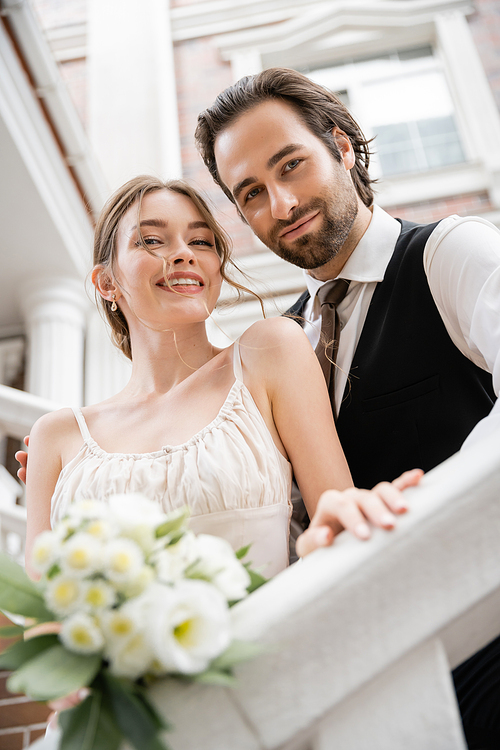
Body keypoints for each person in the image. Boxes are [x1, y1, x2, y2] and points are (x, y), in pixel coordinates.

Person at [194, 68, 500, 749]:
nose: (280, 202)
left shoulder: (448, 254)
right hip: (380, 681)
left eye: (291, 165)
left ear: (343, 147)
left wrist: (413, 510)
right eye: (250, 194)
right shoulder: (289, 346)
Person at [24, 175, 420, 585]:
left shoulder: (270, 352)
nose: (183, 254)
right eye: (152, 241)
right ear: (107, 283)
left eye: (200, 242)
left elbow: (336, 520)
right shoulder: (57, 435)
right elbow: (42, 614)